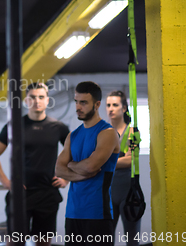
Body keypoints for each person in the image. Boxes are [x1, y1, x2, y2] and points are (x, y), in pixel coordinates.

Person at [0, 82, 69, 246]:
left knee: (43, 243)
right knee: (15, 242)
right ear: (26, 101)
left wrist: (66, 179)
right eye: (32, 97)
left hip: (48, 194)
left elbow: (76, 154)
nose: (37, 101)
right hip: (21, 195)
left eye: (41, 97)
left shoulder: (58, 128)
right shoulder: (14, 126)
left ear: (47, 100)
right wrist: (6, 182)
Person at [55, 81, 120, 246]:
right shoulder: (73, 135)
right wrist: (77, 171)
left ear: (97, 104)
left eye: (83, 102)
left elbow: (91, 167)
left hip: (97, 213)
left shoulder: (108, 133)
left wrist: (71, 164)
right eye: (76, 101)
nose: (78, 106)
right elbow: (58, 169)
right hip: (73, 213)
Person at [106, 90, 141, 245]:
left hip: (128, 191)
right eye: (108, 105)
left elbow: (132, 161)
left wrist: (106, 161)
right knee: (105, 239)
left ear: (124, 108)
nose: (110, 108)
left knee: (132, 239)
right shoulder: (102, 132)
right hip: (107, 191)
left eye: (115, 105)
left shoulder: (133, 132)